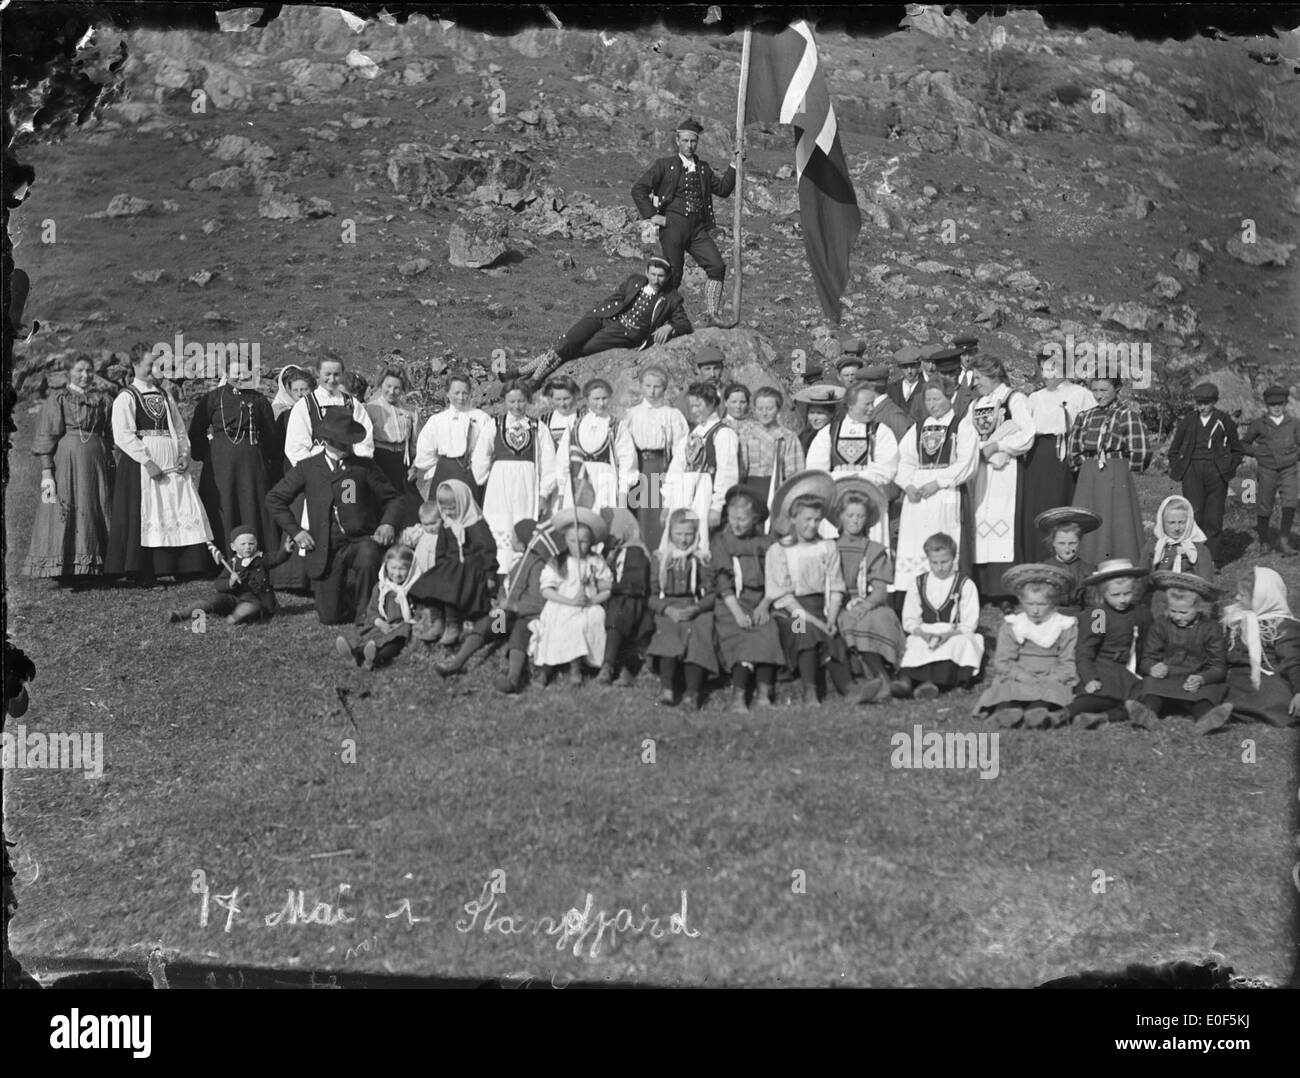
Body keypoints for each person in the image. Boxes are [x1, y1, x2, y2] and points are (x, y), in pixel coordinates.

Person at [265, 410, 401, 625]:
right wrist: (296, 531)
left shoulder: (363, 467)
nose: (348, 446)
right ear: (328, 440)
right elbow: (274, 499)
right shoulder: (307, 468)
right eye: (343, 441)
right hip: (325, 546)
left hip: (359, 540)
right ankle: (345, 597)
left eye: (351, 441)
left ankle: (367, 611)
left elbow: (393, 499)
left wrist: (387, 524)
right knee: (330, 617)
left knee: (368, 556)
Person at [105, 350, 214, 585]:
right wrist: (147, 461)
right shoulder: (127, 396)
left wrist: (184, 453)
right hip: (142, 466)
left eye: (157, 365)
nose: (155, 370)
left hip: (172, 462)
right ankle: (145, 570)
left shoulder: (164, 394)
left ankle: (184, 566)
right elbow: (123, 435)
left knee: (175, 508)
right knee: (148, 512)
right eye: (149, 365)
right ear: (135, 365)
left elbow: (179, 427)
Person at [631, 117, 739, 325]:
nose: (690, 146)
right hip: (672, 227)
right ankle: (656, 319)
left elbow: (724, 190)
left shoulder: (704, 168)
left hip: (697, 229)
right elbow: (639, 189)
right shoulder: (664, 165)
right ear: (677, 141)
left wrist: (734, 164)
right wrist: (653, 215)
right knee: (673, 275)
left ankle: (712, 315)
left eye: (693, 142)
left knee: (717, 266)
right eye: (686, 141)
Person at [521, 257, 692, 386]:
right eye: (653, 274)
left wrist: (670, 327)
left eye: (661, 276)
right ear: (647, 273)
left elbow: (684, 323)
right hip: (606, 318)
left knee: (579, 348)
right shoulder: (635, 280)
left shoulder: (672, 298)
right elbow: (615, 299)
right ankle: (522, 371)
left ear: (668, 276)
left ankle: (534, 379)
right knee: (568, 340)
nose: (656, 279)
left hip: (626, 334)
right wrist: (598, 316)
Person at [23, 354, 116, 580]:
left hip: (98, 463)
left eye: (89, 371)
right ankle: (67, 566)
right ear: (68, 373)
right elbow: (46, 437)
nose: (85, 376)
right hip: (68, 464)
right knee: (70, 506)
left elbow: (114, 433)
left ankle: (101, 563)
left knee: (97, 505)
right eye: (79, 371)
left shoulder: (103, 400)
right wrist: (47, 472)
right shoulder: (59, 399)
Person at [766, 477, 851, 708]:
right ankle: (810, 691)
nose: (812, 525)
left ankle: (849, 689)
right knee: (804, 630)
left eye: (817, 520)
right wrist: (818, 623)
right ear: (793, 518)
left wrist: (830, 619)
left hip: (820, 607)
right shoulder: (779, 550)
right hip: (790, 611)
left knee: (835, 634)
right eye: (807, 519)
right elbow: (783, 596)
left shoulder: (827, 547)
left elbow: (835, 586)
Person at [893, 375, 979, 592]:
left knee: (945, 535)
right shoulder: (919, 427)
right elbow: (903, 460)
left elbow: (966, 463)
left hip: (945, 491)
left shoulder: (962, 426)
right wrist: (908, 485)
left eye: (936, 399)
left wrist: (938, 482)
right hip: (918, 496)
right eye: (928, 400)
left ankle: (947, 588)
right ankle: (915, 590)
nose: (932, 405)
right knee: (915, 539)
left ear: (949, 398)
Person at [961, 355, 1036, 603]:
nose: (976, 384)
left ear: (993, 375)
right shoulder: (976, 404)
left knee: (1002, 522)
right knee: (980, 519)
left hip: (1005, 472)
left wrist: (999, 446)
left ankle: (1006, 589)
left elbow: (1026, 434)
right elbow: (966, 433)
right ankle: (983, 587)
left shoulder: (1013, 399)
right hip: (980, 471)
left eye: (979, 378)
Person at [189, 354, 278, 554]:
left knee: (251, 503)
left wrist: (264, 458)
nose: (239, 376)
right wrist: (209, 454)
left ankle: (257, 554)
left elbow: (270, 434)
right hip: (220, 464)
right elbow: (196, 431)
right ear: (226, 373)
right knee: (223, 505)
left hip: (251, 464)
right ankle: (222, 554)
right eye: (235, 372)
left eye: (243, 372)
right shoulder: (212, 398)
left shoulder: (259, 399)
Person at [973, 563, 1079, 728]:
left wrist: (1054, 676)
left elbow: (1067, 660)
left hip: (1050, 672)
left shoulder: (1064, 625)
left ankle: (1037, 710)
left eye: (1041, 605)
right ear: (1021, 601)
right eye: (1030, 604)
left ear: (1052, 603)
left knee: (1051, 690)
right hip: (1020, 670)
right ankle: (1007, 710)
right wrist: (1019, 674)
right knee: (1008, 686)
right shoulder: (1014, 624)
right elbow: (1003, 660)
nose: (1035, 610)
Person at [1019, 350, 1096, 566]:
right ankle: (1036, 561)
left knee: (1061, 506)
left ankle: (1065, 559)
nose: (1047, 373)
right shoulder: (1034, 397)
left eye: (1052, 367)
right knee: (1037, 508)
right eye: (1043, 368)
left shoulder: (1080, 394)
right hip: (1038, 456)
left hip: (1065, 455)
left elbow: (1092, 424)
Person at [711, 486, 785, 712]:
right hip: (732, 603)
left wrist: (764, 605)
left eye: (742, 519)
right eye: (733, 518)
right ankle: (738, 695)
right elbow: (723, 584)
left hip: (760, 601)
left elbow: (775, 577)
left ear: (754, 520)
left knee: (768, 630)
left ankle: (764, 694)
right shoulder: (722, 542)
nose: (737, 524)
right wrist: (738, 613)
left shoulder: (765, 543)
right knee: (742, 634)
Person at [1128, 571, 1231, 730]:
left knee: (1205, 696)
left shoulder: (1211, 628)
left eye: (1184, 612)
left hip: (1194, 680)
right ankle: (1146, 715)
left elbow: (1218, 667)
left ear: (1199, 608)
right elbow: (1147, 658)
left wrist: (1202, 678)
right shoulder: (1161, 624)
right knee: (1150, 688)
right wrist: (1153, 667)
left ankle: (1207, 719)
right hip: (1166, 679)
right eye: (1173, 611)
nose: (1177, 617)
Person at [834, 481, 905, 705]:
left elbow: (881, 590)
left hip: (869, 602)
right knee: (850, 621)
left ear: (867, 519)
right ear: (840, 517)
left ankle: (885, 676)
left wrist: (865, 605)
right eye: (850, 515)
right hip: (840, 603)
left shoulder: (873, 549)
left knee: (879, 618)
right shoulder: (830, 547)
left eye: (860, 516)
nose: (855, 521)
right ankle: (879, 679)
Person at [806, 381, 900, 551]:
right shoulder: (828, 432)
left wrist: (849, 476)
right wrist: (853, 477)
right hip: (836, 505)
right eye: (867, 404)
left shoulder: (882, 431)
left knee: (871, 551)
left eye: (873, 403)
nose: (872, 408)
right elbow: (816, 472)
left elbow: (888, 469)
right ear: (850, 404)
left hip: (871, 503)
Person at [1067, 377, 1152, 565]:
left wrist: (1124, 467)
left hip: (1116, 470)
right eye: (1095, 390)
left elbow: (1139, 449)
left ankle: (1120, 562)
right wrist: (1086, 464)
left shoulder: (1126, 415)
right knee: (1088, 516)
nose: (1098, 395)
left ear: (1117, 388)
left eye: (1104, 390)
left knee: (1116, 518)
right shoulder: (1085, 416)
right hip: (1089, 474)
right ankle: (1087, 563)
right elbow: (1074, 447)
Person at [893, 531, 984, 700]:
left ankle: (931, 683)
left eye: (944, 561)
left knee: (958, 644)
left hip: (953, 632)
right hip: (926, 630)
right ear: (928, 560)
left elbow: (969, 622)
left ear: (954, 558)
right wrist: (922, 633)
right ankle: (905, 681)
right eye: (934, 562)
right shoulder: (918, 582)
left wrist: (948, 635)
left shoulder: (965, 584)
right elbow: (910, 617)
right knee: (916, 643)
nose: (939, 567)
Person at [482, 380, 558, 579]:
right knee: (499, 524)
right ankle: (497, 575)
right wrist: (482, 480)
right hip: (500, 484)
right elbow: (481, 457)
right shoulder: (494, 425)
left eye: (521, 401)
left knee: (523, 523)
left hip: (527, 484)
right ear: (504, 401)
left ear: (528, 401)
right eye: (512, 401)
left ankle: (522, 573)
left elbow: (549, 463)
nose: (516, 406)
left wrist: (543, 493)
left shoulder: (537, 427)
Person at [407, 479, 497, 647]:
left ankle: (453, 625)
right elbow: (442, 549)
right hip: (451, 566)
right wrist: (440, 567)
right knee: (427, 583)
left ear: (462, 502)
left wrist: (490, 575)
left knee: (450, 585)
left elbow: (488, 550)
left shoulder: (474, 524)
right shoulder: (447, 524)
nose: (448, 512)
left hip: (472, 569)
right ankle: (436, 620)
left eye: (452, 507)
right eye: (444, 508)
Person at [1211, 566, 1300, 732]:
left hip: (1267, 679)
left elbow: (1293, 662)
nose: (1237, 597)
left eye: (1243, 595)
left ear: (1261, 599)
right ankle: (1228, 711)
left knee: (1273, 698)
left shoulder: (1281, 626)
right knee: (1215, 691)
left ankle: (1238, 712)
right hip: (1237, 677)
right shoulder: (1234, 619)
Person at [647, 507, 719, 708]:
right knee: (669, 632)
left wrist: (697, 608)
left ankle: (692, 693)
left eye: (689, 533)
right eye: (678, 534)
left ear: (696, 534)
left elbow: (711, 594)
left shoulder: (701, 559)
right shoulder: (661, 558)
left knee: (699, 632)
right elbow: (650, 596)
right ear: (669, 533)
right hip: (668, 607)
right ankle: (668, 689)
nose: (684, 539)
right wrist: (666, 609)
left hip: (694, 606)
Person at [533, 510, 614, 687]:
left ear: (591, 541)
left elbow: (607, 587)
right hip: (562, 601)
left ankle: (577, 666)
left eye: (583, 542)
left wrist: (593, 600)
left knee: (593, 617)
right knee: (559, 618)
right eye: (573, 542)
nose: (578, 546)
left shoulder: (595, 561)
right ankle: (547, 667)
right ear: (566, 541)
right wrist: (569, 602)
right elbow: (546, 590)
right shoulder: (559, 561)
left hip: (587, 603)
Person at [1069, 559, 1152, 729]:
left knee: (1146, 699)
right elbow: (1085, 651)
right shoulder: (1099, 616)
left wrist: (1149, 668)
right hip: (1104, 669)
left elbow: (1147, 645)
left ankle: (1103, 718)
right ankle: (1060, 715)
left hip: (1130, 671)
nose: (1122, 599)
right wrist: (1090, 678)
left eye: (1127, 593)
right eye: (1115, 595)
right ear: (1103, 594)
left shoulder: (1141, 613)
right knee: (1092, 699)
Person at [1167, 381, 1242, 563]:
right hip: (1192, 472)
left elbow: (1237, 450)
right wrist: (1181, 468)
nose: (1202, 407)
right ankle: (1193, 557)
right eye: (1199, 403)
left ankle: (1212, 560)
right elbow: (1174, 449)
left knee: (1213, 517)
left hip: (1216, 473)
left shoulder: (1224, 421)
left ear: (1214, 402)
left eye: (1206, 403)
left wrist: (1227, 467)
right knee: (1194, 514)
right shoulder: (1188, 421)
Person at [662, 382, 741, 553]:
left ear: (712, 403)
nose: (694, 410)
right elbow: (675, 470)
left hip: (704, 498)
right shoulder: (691, 435)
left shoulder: (723, 434)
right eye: (691, 406)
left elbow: (727, 474)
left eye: (699, 405)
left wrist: (717, 507)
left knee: (702, 540)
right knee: (682, 537)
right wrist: (667, 502)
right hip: (683, 497)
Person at [487, 519, 561, 693]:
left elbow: (536, 600)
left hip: (525, 614)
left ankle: (512, 678)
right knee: (491, 625)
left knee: (519, 632)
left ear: (522, 542)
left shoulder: (536, 565)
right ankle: (458, 662)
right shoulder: (517, 563)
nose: (511, 539)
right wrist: (501, 602)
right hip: (509, 612)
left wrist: (513, 606)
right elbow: (506, 587)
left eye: (513, 536)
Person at [623, 365, 689, 551]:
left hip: (663, 469)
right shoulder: (632, 415)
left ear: (664, 388)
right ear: (641, 386)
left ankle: (660, 557)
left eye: (657, 386)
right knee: (641, 513)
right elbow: (625, 448)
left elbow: (681, 449)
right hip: (639, 469)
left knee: (660, 513)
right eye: (648, 386)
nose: (652, 391)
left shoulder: (672, 415)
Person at [170, 524, 290, 626]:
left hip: (256, 600)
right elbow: (218, 584)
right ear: (233, 547)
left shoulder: (261, 559)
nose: (247, 547)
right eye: (243, 544)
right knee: (214, 600)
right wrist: (230, 582)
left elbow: (277, 559)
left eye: (251, 543)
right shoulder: (232, 563)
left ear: (256, 544)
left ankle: (235, 618)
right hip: (234, 598)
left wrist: (286, 550)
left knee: (248, 608)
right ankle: (182, 614)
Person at [555, 378, 636, 514]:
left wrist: (622, 498)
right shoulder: (575, 424)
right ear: (587, 399)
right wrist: (562, 492)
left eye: (604, 398)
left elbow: (627, 462)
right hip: (577, 480)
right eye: (596, 399)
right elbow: (562, 460)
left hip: (605, 481)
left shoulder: (615, 425)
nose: (601, 403)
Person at [411, 370, 492, 505]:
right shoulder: (437, 420)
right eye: (456, 393)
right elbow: (425, 450)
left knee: (469, 513)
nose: (461, 397)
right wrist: (439, 466)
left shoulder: (482, 418)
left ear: (470, 393)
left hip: (473, 472)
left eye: (465, 393)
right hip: (445, 472)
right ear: (448, 393)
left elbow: (489, 447)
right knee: (442, 516)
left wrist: (479, 470)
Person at [334, 545, 419, 670]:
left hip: (402, 627)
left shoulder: (414, 589)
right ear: (386, 567)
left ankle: (375, 659)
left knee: (393, 643)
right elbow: (372, 610)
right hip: (382, 625)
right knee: (370, 638)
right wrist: (379, 622)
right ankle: (355, 654)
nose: (396, 573)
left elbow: (418, 612)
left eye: (402, 569)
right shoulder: (381, 587)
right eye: (393, 568)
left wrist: (404, 624)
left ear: (411, 569)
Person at [282, 356, 375, 467]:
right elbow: (296, 447)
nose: (332, 379)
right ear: (318, 373)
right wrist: (313, 473)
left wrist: (356, 468)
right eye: (327, 374)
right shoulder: (304, 406)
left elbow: (364, 440)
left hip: (349, 470)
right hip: (315, 473)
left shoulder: (353, 404)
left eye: (336, 374)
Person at [1240, 384, 1300, 555]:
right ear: (1267, 405)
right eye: (1273, 404)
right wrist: (1258, 453)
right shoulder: (1259, 424)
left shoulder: (1294, 423)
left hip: (1289, 469)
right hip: (1267, 469)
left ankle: (1283, 540)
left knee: (1290, 502)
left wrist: (1295, 456)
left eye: (1280, 404)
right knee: (1265, 504)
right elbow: (1244, 444)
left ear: (1285, 404)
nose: (1276, 408)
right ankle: (1264, 541)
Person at [598, 509, 653, 687]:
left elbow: (636, 585)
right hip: (616, 600)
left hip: (632, 601)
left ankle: (608, 665)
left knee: (618, 613)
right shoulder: (612, 552)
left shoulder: (635, 551)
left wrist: (611, 587)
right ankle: (616, 667)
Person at [736, 386, 804, 525]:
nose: (764, 413)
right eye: (760, 409)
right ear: (754, 410)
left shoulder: (788, 437)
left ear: (778, 409)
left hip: (776, 489)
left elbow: (795, 473)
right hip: (750, 488)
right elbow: (738, 468)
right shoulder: (745, 434)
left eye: (769, 409)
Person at [364, 366, 421, 527]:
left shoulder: (410, 411)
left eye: (397, 388)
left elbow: (416, 443)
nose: (392, 391)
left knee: (412, 511)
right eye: (388, 386)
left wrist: (414, 467)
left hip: (403, 463)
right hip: (380, 461)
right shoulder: (370, 408)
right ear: (381, 384)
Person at [1034, 507, 1100, 616]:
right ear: (1053, 543)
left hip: (1078, 621)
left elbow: (1094, 607)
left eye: (1072, 543)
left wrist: (1095, 631)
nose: (1067, 549)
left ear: (1079, 543)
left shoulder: (1089, 570)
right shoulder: (1042, 569)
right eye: (1061, 543)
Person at [1141, 494, 1214, 580]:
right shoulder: (1153, 545)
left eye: (1181, 522)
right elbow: (1142, 576)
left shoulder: (1198, 549)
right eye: (1171, 523)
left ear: (1189, 522)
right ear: (1162, 523)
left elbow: (1205, 581)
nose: (1177, 528)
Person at [269, 364, 314, 485]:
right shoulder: (284, 415)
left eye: (304, 389)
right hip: (291, 468)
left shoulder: (321, 413)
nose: (299, 394)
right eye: (295, 390)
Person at [792, 384, 844, 454]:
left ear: (831, 414)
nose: (815, 418)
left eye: (820, 413)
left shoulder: (838, 436)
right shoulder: (804, 436)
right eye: (812, 412)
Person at [886, 345, 928, 426]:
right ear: (899, 367)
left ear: (919, 365)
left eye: (912, 367)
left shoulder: (926, 387)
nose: (909, 371)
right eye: (905, 367)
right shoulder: (892, 388)